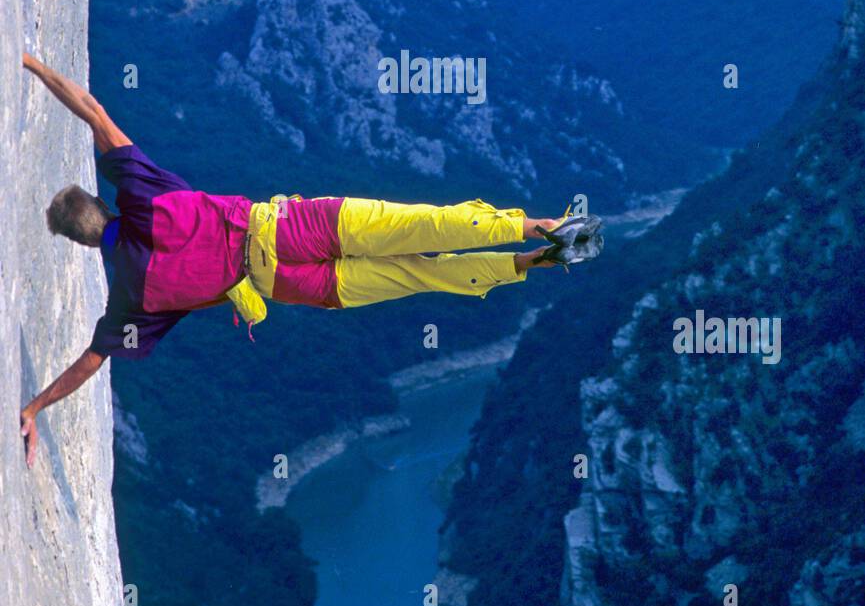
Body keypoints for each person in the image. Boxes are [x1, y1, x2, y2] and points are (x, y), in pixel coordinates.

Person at [18, 53, 602, 467]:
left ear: (81, 244)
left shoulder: (130, 296)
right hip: (297, 226)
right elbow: (94, 112)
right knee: (427, 224)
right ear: (99, 200)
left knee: (418, 275)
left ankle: (527, 265)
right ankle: (542, 227)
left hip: (286, 284)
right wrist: (32, 65)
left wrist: (35, 407)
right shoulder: (143, 195)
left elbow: (93, 361)